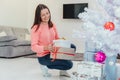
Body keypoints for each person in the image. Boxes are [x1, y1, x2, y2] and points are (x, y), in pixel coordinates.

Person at [31, 4, 76, 77]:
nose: (46, 16)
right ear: (39, 16)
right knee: (69, 64)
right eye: (43, 15)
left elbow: (56, 38)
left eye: (47, 13)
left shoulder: (52, 24)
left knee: (72, 47)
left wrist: (62, 40)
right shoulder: (35, 28)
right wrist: (46, 48)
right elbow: (33, 47)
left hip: (54, 51)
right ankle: (45, 65)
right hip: (44, 56)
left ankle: (62, 71)